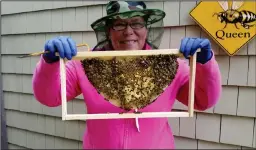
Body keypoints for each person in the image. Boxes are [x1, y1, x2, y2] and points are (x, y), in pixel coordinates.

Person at [32, 1, 222, 149]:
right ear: (108, 31)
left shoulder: (173, 66)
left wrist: (204, 63)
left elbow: (203, 100)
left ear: (146, 29)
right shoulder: (84, 65)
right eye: (119, 24)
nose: (129, 31)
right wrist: (50, 64)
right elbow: (50, 97)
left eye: (136, 23)